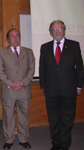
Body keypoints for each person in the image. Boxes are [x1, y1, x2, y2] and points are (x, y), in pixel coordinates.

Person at [39, 20, 84, 150]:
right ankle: (56, 143)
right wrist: (43, 86)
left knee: (67, 118)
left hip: (69, 89)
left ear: (64, 30)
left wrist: (79, 86)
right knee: (53, 119)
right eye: (54, 29)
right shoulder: (45, 47)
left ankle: (64, 144)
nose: (57, 32)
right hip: (51, 90)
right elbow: (42, 67)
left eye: (60, 29)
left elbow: (80, 68)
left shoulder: (74, 45)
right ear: (50, 32)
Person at [0, 29, 35, 150]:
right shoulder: (2, 52)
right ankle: (9, 139)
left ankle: (24, 139)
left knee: (23, 115)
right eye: (12, 36)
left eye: (17, 36)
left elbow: (31, 70)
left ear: (20, 37)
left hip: (24, 90)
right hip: (9, 90)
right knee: (8, 116)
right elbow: (0, 72)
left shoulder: (29, 52)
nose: (15, 38)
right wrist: (11, 83)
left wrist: (23, 83)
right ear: (8, 39)